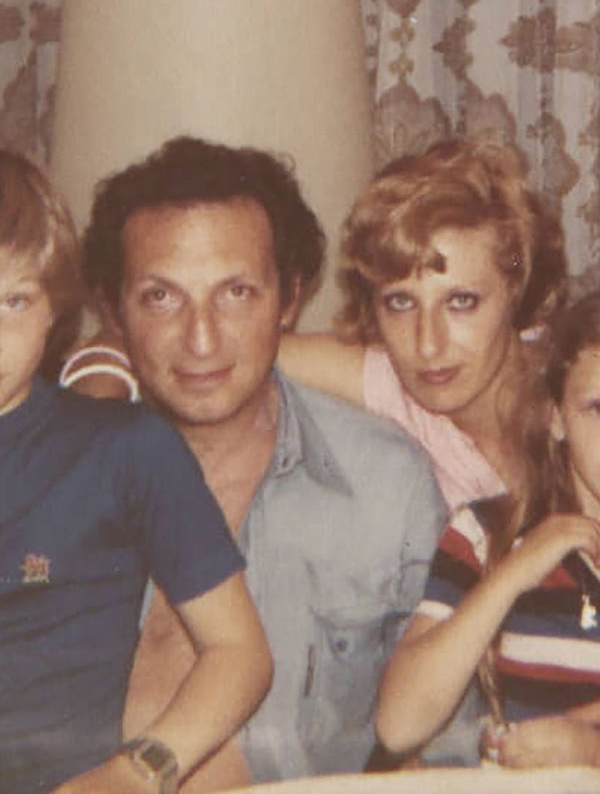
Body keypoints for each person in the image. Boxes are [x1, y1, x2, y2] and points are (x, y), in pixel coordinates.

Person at [62, 135, 447, 790]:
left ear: (289, 299)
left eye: (236, 292)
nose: (202, 338)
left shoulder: (387, 487)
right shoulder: (56, 477)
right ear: (114, 312)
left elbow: (450, 753)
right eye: (161, 297)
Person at [0, 149, 272, 794]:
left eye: (13, 300)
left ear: (55, 306)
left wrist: (140, 768)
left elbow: (240, 654)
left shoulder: (122, 450)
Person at [376, 290, 600, 768]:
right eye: (598, 408)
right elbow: (399, 725)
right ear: (556, 417)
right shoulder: (486, 532)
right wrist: (515, 571)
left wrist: (591, 750)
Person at [278, 139, 567, 508]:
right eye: (401, 303)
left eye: (461, 302)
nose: (428, 344)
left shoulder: (572, 392)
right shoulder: (395, 385)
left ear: (516, 291)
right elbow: (247, 352)